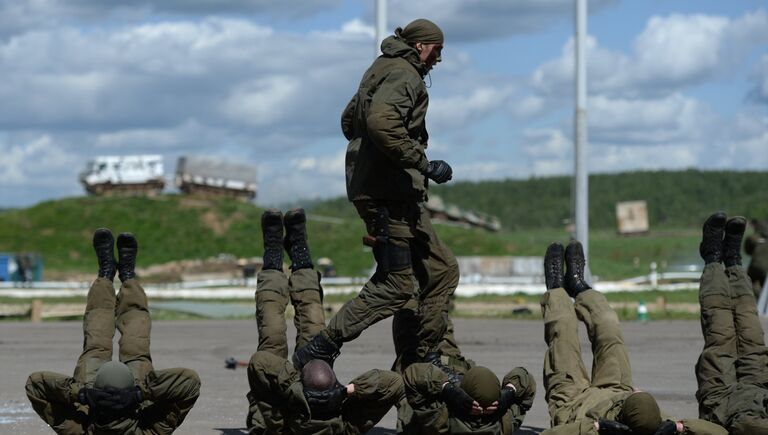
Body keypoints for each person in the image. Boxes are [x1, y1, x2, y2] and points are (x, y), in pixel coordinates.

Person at [293, 17, 459, 376]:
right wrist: (422, 163)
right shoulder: (404, 75)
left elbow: (349, 121)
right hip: (389, 197)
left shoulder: (381, 68)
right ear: (420, 47)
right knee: (398, 286)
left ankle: (421, 356)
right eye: (437, 50)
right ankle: (322, 346)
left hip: (395, 195)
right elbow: (381, 123)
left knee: (441, 270)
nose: (439, 59)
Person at [540, 240, 726, 435]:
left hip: (574, 402)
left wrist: (595, 427)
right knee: (608, 324)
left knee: (563, 328)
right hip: (618, 389)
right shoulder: (655, 425)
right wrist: (680, 426)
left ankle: (555, 287)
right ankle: (579, 286)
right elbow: (721, 433)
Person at [25, 229, 200, 434]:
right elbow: (190, 382)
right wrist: (137, 395)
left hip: (94, 393)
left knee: (98, 342)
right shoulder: (145, 431)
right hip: (128, 395)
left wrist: (83, 395)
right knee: (134, 344)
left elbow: (34, 385)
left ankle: (106, 275)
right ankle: (127, 277)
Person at [246, 209, 404, 434]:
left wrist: (298, 391)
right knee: (314, 325)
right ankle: (301, 256)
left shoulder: (280, 429)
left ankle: (273, 256)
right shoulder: (345, 428)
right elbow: (392, 383)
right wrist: (341, 393)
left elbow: (260, 362)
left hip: (283, 401)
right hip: (313, 382)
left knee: (272, 335)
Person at [695, 212, 768, 434]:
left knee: (720, 326)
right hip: (759, 386)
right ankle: (734, 262)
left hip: (721, 397)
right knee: (751, 327)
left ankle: (713, 257)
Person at [402, 356, 535, 434]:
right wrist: (510, 392)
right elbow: (527, 379)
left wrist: (447, 389)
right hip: (454, 367)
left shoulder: (441, 417)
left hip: (441, 368)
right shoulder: (504, 423)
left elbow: (412, 374)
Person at [745, 218, 768, 299]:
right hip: (765, 269)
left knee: (747, 283)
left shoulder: (752, 238)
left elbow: (747, 251)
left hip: (755, 266)